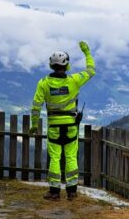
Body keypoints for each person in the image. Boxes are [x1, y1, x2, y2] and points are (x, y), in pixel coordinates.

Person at [30, 41, 95, 200]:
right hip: (71, 127)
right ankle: (72, 192)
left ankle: (54, 192)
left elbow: (36, 107)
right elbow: (91, 70)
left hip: (54, 128)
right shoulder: (74, 80)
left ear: (51, 66)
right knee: (71, 157)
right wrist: (86, 52)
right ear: (67, 66)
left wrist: (33, 125)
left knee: (55, 158)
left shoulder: (43, 83)